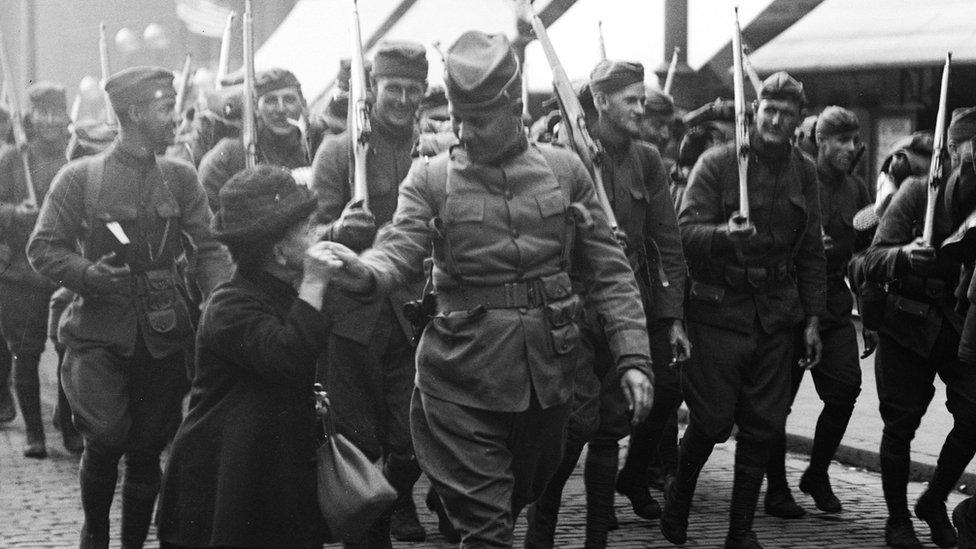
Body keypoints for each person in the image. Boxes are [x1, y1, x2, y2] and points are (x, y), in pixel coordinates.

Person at [327, 30, 654, 547]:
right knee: (489, 527)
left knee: (517, 492)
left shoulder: (565, 170)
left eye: (476, 120)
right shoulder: (430, 177)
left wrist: (633, 356)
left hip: (547, 380)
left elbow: (610, 271)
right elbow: (398, 247)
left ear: (511, 107)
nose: (463, 132)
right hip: (461, 379)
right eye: (458, 119)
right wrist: (363, 271)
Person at [27, 66, 231, 549]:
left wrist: (220, 300)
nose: (175, 119)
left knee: (145, 451)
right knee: (105, 438)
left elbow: (208, 248)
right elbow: (44, 247)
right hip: (98, 331)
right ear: (134, 113)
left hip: (165, 334)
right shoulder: (80, 178)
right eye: (165, 109)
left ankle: (134, 543)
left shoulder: (180, 178)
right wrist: (85, 275)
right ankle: (96, 531)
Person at [523, 60, 689, 549]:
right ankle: (542, 530)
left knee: (612, 427)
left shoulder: (647, 161)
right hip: (569, 305)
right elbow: (535, 239)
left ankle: (598, 537)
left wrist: (672, 316)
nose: (642, 108)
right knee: (571, 426)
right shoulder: (557, 156)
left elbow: (667, 241)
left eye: (643, 99)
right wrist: (587, 232)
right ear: (600, 102)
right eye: (631, 100)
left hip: (624, 307)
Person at [664, 71, 826, 549]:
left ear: (798, 121)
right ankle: (679, 497)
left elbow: (811, 251)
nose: (776, 119)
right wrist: (721, 236)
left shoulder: (804, 171)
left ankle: (741, 530)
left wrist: (814, 317)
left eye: (787, 113)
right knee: (711, 422)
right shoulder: (717, 163)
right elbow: (683, 234)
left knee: (763, 425)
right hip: (719, 312)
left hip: (776, 314)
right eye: (769, 110)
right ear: (754, 112)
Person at [157, 166, 341, 549]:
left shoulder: (279, 292)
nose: (316, 236)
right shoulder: (229, 306)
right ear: (278, 251)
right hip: (225, 478)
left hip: (268, 471)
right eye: (306, 230)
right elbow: (287, 354)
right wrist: (313, 282)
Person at [310, 40, 431, 546]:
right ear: (373, 90)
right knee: (358, 439)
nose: (401, 99)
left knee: (412, 439)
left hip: (414, 315)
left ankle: (400, 494)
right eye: (392, 88)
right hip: (353, 317)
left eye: (411, 89)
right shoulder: (339, 152)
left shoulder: (434, 152)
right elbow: (307, 238)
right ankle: (372, 530)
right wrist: (339, 230)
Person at [860, 107, 976, 549]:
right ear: (952, 154)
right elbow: (871, 259)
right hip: (905, 322)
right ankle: (897, 519)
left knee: (974, 414)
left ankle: (933, 500)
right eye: (968, 156)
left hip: (956, 325)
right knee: (901, 424)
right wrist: (907, 254)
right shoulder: (914, 193)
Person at [762, 106, 870, 519]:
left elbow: (862, 253)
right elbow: (766, 234)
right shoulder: (795, 178)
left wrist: (870, 317)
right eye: (841, 140)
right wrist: (802, 242)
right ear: (820, 141)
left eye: (854, 140)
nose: (850, 148)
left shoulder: (857, 189)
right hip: (788, 304)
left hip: (833, 308)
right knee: (777, 402)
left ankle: (818, 473)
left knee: (844, 390)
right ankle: (776, 488)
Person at [0, 82, 71, 458]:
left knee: (69, 350)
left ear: (65, 117)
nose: (49, 120)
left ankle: (70, 428)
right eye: (41, 113)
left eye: (55, 113)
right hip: (20, 273)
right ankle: (34, 434)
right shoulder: (12, 159)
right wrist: (14, 213)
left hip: (64, 270)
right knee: (25, 354)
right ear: (30, 117)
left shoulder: (75, 157)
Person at [198, 68, 309, 211]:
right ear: (256, 108)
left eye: (289, 99)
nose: (281, 109)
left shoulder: (314, 148)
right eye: (271, 101)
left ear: (303, 104)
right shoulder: (227, 157)